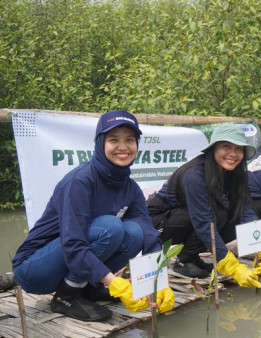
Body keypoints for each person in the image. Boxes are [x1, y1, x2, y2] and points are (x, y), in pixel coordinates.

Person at [11, 110, 174, 322]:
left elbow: (149, 233)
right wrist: (113, 282)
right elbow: (73, 243)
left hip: (70, 258)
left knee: (135, 232)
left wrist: (160, 282)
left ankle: (90, 288)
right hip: (35, 268)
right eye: (113, 140)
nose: (123, 147)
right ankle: (66, 296)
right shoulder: (81, 181)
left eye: (130, 140)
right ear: (100, 143)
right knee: (110, 227)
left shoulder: (130, 187)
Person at [147, 124, 261, 286]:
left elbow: (245, 209)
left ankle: (192, 256)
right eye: (226, 146)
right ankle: (184, 260)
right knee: (217, 214)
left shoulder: (234, 172)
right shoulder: (195, 174)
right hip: (159, 223)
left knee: (232, 215)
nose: (233, 154)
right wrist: (231, 266)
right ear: (213, 149)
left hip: (190, 218)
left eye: (238, 148)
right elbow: (204, 222)